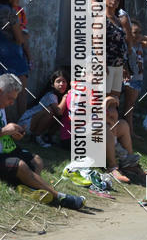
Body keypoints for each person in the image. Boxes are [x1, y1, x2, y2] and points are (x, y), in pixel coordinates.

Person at [0, 73, 85, 209]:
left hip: (8, 150)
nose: (12, 103)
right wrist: (5, 131)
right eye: (10, 98)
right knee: (20, 165)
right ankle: (60, 197)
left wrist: (14, 134)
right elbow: (3, 130)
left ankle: (33, 188)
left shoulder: (2, 107)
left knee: (37, 160)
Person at [122, 19, 147, 136]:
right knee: (129, 106)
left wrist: (142, 37)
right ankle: (129, 132)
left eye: (139, 32)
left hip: (138, 78)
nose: (138, 35)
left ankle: (128, 131)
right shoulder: (126, 44)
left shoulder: (140, 44)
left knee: (130, 106)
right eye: (135, 32)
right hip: (130, 78)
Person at [0, 0, 29, 120]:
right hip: (13, 59)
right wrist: (25, 36)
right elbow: (19, 39)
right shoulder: (10, 12)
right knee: (20, 94)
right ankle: (22, 125)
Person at [18, 69, 69, 148]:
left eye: (64, 81)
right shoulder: (51, 95)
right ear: (52, 84)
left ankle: (48, 136)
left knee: (63, 115)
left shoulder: (60, 96)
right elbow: (59, 111)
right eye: (58, 81)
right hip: (26, 124)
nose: (61, 84)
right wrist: (65, 97)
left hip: (35, 124)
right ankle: (36, 137)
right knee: (50, 111)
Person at [106, 0, 130, 99]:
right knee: (104, 99)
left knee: (115, 99)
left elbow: (123, 44)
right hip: (107, 64)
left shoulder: (119, 20)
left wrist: (124, 65)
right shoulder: (100, 17)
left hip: (118, 65)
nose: (114, 0)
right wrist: (101, 63)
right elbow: (96, 42)